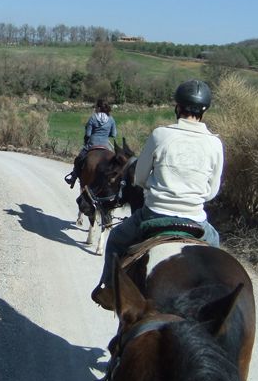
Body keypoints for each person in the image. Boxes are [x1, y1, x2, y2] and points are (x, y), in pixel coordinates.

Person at [91, 79, 223, 309]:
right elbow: (212, 191)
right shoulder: (215, 144)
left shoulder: (160, 135)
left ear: (177, 107)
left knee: (115, 239)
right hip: (196, 219)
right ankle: (216, 305)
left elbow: (139, 179)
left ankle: (108, 289)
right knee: (216, 248)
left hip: (154, 215)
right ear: (205, 110)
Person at [64, 99, 117, 188]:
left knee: (79, 159)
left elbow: (88, 134)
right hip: (105, 145)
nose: (95, 108)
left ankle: (73, 178)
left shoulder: (93, 117)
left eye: (96, 107)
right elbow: (114, 134)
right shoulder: (111, 119)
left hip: (92, 144)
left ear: (99, 108)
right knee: (114, 161)